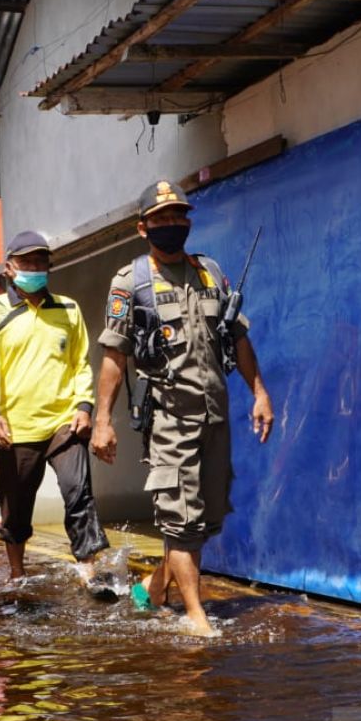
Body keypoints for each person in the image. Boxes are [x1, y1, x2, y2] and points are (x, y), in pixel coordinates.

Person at [91, 180, 274, 636]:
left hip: (215, 416)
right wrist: (102, 422)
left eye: (178, 217)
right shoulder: (130, 281)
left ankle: (153, 589)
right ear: (142, 228)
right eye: (161, 219)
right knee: (180, 518)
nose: (172, 225)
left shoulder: (210, 271)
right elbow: (115, 356)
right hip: (169, 419)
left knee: (205, 521)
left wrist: (260, 393)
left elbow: (238, 338)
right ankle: (196, 616)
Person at [0, 231, 109, 582]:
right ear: (9, 268)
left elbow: (81, 362)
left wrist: (84, 406)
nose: (35, 268)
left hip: (64, 422)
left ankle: (88, 572)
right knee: (16, 507)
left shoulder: (68, 309)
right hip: (14, 428)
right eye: (26, 262)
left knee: (78, 493)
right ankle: (17, 573)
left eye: (40, 262)